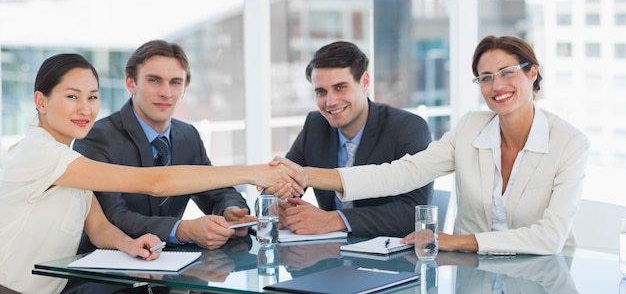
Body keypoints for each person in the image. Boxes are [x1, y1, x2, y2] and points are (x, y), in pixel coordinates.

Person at [0, 53, 304, 294]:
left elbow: (99, 227)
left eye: (92, 97)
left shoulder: (68, 159)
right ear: (41, 101)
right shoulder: (39, 154)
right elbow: (155, 182)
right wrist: (254, 173)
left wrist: (129, 244)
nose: (85, 108)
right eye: (72, 96)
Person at [273, 35, 590, 255]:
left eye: (507, 73)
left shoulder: (570, 143)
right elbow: (399, 173)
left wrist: (456, 241)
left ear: (532, 73)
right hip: (472, 276)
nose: (497, 86)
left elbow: (550, 238)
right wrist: (305, 175)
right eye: (486, 77)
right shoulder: (470, 128)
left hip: (543, 276)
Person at [74, 40, 252, 253]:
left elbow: (216, 190)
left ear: (185, 88)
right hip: (109, 272)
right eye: (154, 80)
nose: (166, 93)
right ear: (131, 84)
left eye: (175, 82)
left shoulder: (188, 136)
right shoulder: (97, 137)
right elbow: (112, 217)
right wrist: (182, 230)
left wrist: (231, 211)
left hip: (169, 268)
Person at [264, 41, 433, 237]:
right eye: (321, 92)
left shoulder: (408, 128)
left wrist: (334, 220)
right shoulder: (316, 125)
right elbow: (283, 180)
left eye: (340, 87)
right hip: (329, 255)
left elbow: (414, 214)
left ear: (365, 82)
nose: (330, 102)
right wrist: (278, 204)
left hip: (389, 259)